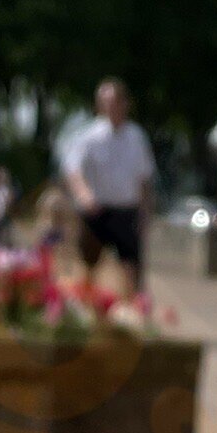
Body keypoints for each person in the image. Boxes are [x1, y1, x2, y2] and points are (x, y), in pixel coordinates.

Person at [60, 79, 156, 291]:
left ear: (125, 103)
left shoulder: (137, 137)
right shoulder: (88, 136)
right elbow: (73, 170)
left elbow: (145, 179)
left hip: (126, 212)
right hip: (96, 212)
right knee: (86, 268)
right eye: (105, 102)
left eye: (115, 101)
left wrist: (145, 213)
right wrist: (84, 194)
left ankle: (134, 306)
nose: (111, 107)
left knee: (131, 270)